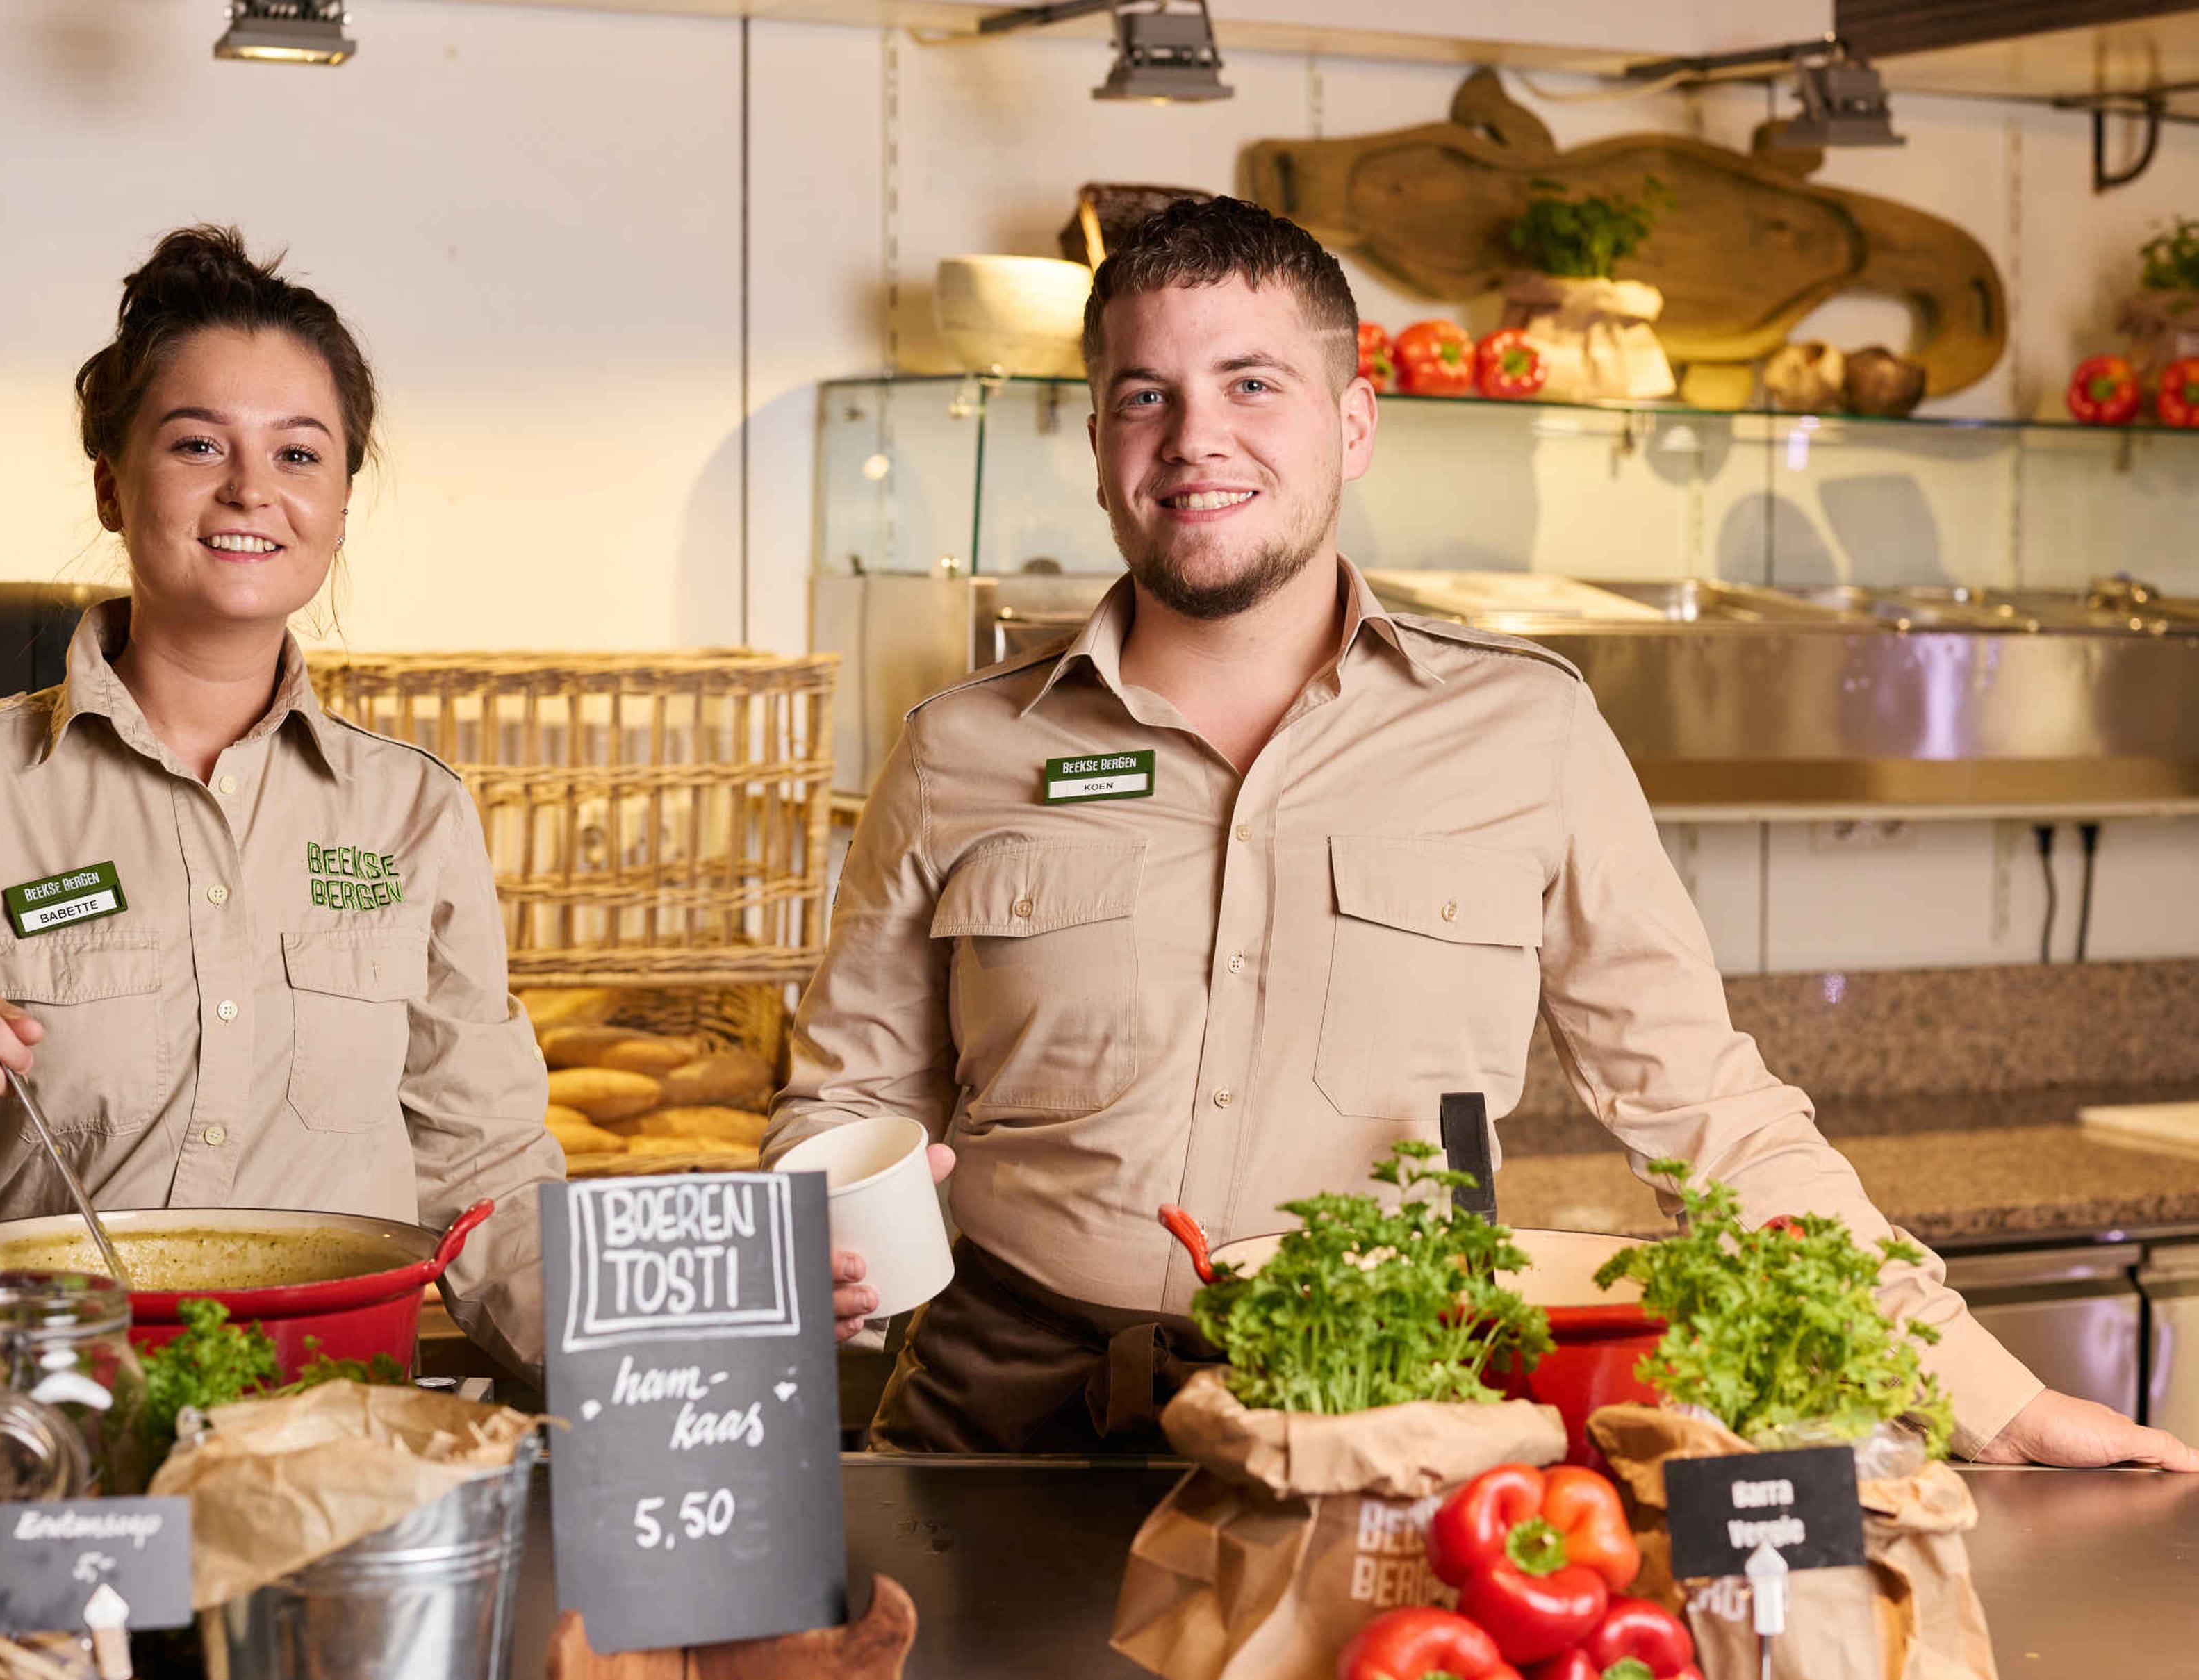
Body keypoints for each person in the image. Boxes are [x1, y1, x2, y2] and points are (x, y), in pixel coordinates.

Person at [773, 197, 2196, 1471]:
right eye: (1145, 394)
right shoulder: (959, 749)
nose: (1194, 439)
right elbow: (847, 1096)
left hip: (1383, 1421)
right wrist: (814, 1220)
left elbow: (1712, 1113)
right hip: (999, 1432)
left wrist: (1989, 1396)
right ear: (1097, 444)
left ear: (1352, 422)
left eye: (1251, 385)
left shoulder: (1529, 733)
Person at [0, 225, 557, 1374]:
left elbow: (491, 1181)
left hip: (331, 1438)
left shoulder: (412, 816)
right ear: (114, 487)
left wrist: (677, 1343)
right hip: (51, 1432)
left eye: (302, 454)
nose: (253, 489)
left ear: (344, 503)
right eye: (198, 443)